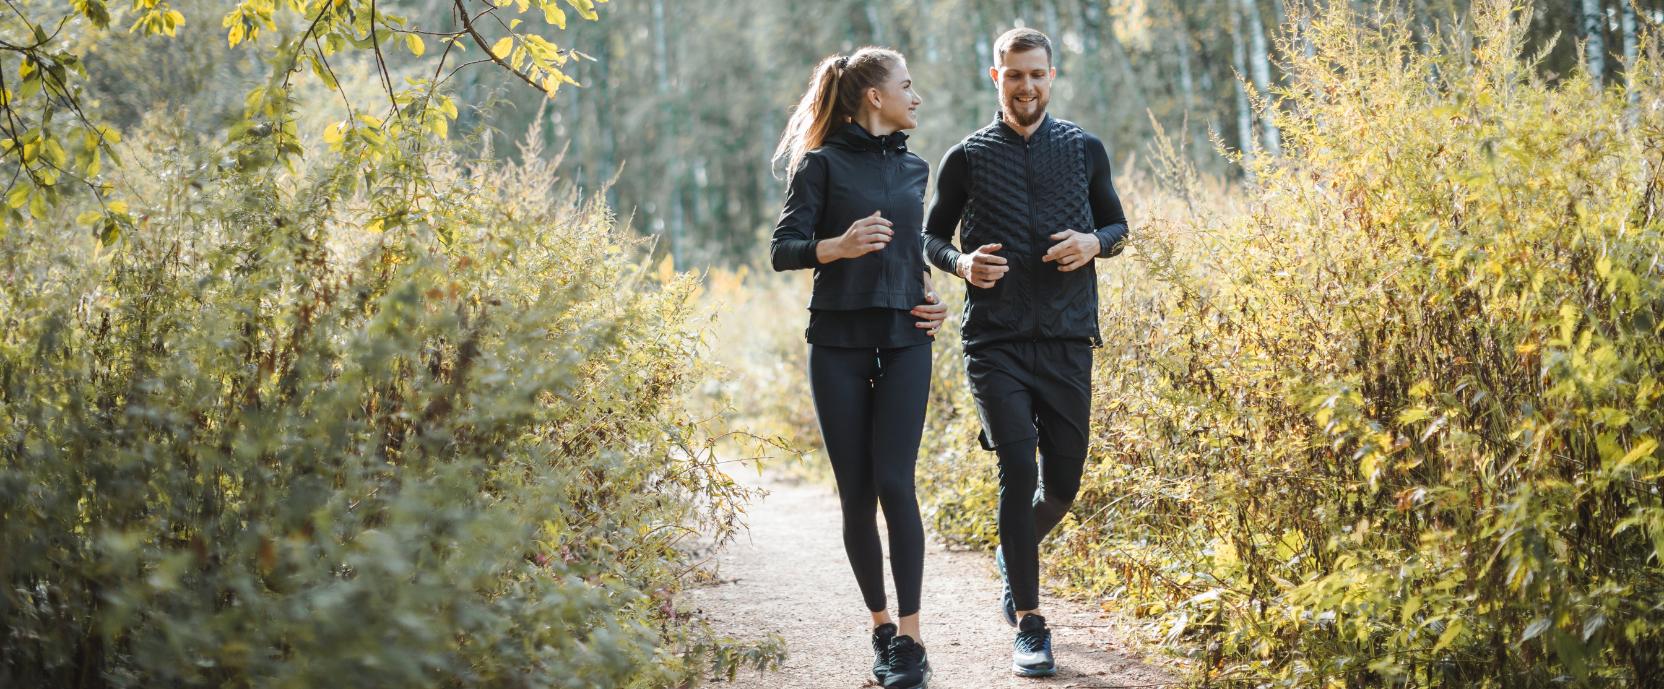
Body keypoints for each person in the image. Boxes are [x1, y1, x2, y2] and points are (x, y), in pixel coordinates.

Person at [921, 27, 1129, 677]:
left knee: (1062, 483)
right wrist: (960, 263)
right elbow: (931, 237)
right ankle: (1032, 626)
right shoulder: (968, 157)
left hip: (1068, 337)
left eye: (1037, 74)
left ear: (1052, 74)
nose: (1027, 85)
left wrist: (1095, 243)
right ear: (996, 78)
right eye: (1015, 75)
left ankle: (1016, 557)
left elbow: (1117, 225)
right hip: (996, 340)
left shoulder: (1084, 148)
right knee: (1017, 465)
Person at [769, 46, 946, 689]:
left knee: (897, 485)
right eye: (907, 85)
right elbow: (783, 249)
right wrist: (836, 248)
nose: (915, 96)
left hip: (905, 340)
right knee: (857, 496)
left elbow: (910, 255)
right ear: (875, 96)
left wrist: (930, 296)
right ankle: (879, 628)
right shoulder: (819, 166)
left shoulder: (915, 167)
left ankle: (912, 639)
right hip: (838, 343)